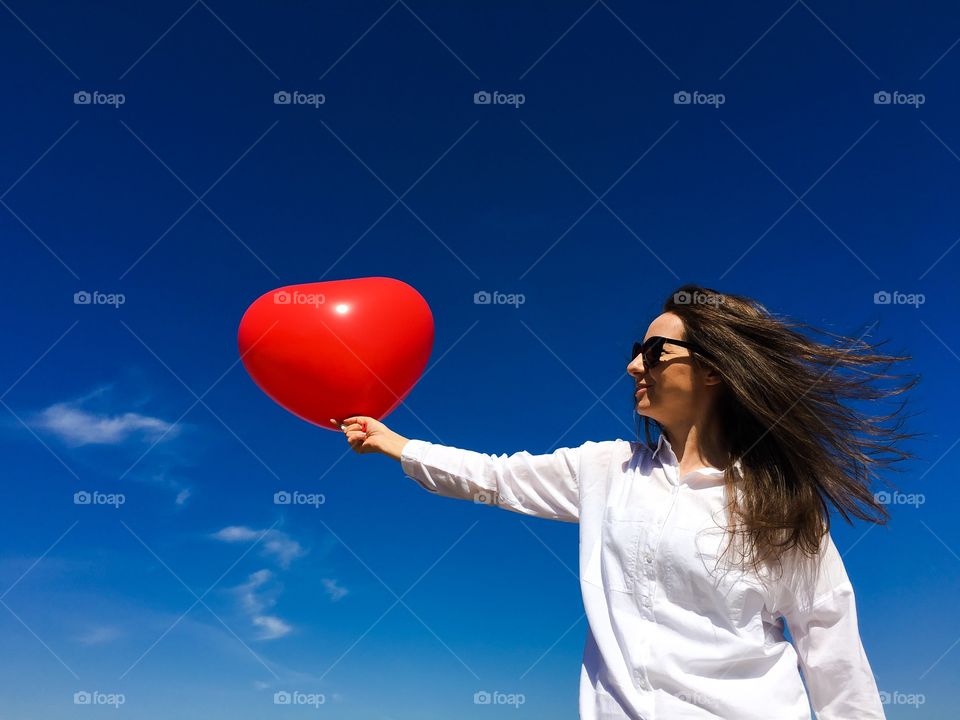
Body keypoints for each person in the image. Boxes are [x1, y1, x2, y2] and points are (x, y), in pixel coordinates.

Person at [336, 284, 919, 720]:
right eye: (636, 349)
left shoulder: (780, 500)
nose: (633, 364)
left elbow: (830, 646)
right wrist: (396, 444)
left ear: (715, 369)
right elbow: (494, 477)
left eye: (656, 350)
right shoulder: (605, 470)